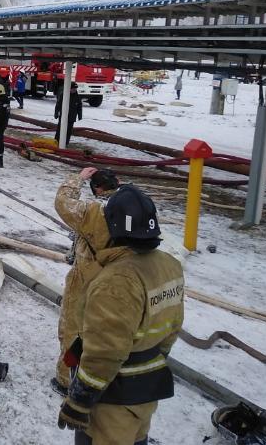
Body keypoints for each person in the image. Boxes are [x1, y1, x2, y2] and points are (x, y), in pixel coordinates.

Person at [58, 181, 184, 445]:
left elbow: (104, 352)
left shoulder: (116, 281)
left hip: (113, 399)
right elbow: (172, 328)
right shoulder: (169, 266)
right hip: (145, 393)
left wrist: (79, 401)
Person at [52, 167, 120, 395]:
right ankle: (105, 378)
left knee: (73, 328)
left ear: (97, 189)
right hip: (119, 280)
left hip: (88, 277)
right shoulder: (132, 209)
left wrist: (78, 179)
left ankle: (66, 380)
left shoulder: (95, 213)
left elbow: (63, 202)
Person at [55, 82, 83, 146]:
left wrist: (80, 115)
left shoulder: (77, 97)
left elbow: (79, 107)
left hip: (71, 117)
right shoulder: (63, 95)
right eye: (73, 88)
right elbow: (58, 105)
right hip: (63, 116)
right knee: (60, 129)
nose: (74, 90)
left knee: (69, 131)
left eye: (75, 89)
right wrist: (56, 113)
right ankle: (56, 141)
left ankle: (66, 143)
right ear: (69, 88)